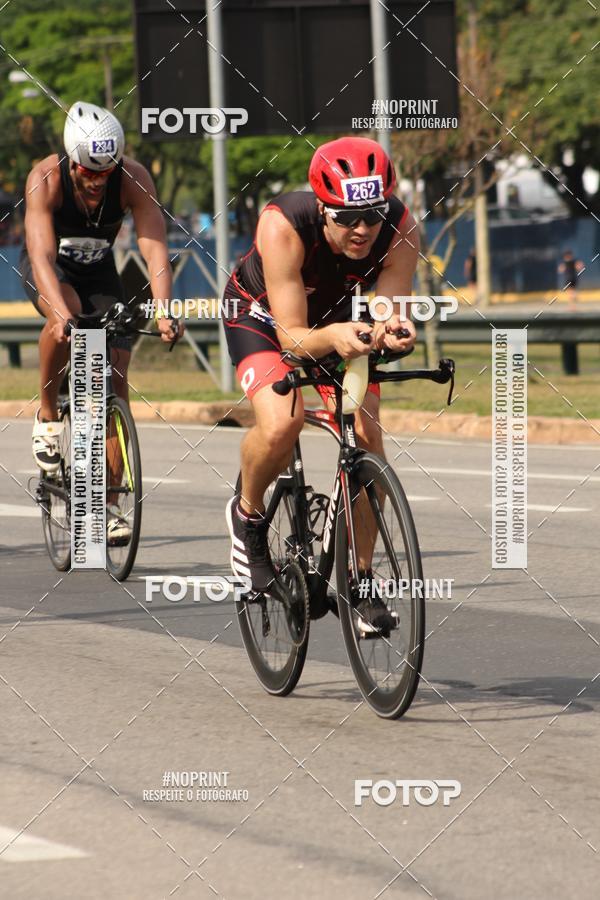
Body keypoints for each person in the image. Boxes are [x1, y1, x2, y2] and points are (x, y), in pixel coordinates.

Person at [224, 136, 418, 634]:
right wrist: (334, 336)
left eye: (372, 215)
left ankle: (361, 582)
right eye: (347, 218)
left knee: (368, 439)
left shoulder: (401, 228)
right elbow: (292, 338)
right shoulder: (283, 225)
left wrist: (392, 328)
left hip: (338, 318)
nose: (362, 229)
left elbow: (387, 307)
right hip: (264, 318)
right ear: (321, 207)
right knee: (282, 422)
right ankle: (247, 519)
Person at [21, 101, 180, 541]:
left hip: (99, 270)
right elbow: (40, 256)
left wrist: (164, 309)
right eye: (88, 172)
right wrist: (62, 315)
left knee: (115, 376)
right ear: (71, 161)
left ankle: (106, 506)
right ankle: (48, 415)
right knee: (65, 319)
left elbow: (155, 248)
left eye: (105, 172)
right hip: (52, 271)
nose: (97, 181)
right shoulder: (45, 179)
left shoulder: (134, 178)